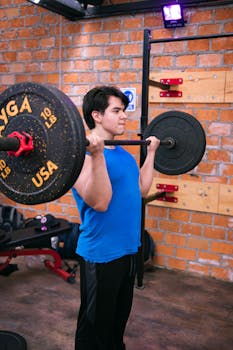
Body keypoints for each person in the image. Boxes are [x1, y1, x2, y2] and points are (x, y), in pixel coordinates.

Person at [72, 85, 160, 350]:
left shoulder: (122, 153)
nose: (124, 116)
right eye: (117, 110)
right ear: (97, 115)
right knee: (94, 329)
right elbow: (100, 202)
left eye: (124, 111)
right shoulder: (81, 157)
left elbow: (141, 189)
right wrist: (97, 154)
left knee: (117, 323)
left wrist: (152, 153)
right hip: (100, 255)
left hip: (128, 251)